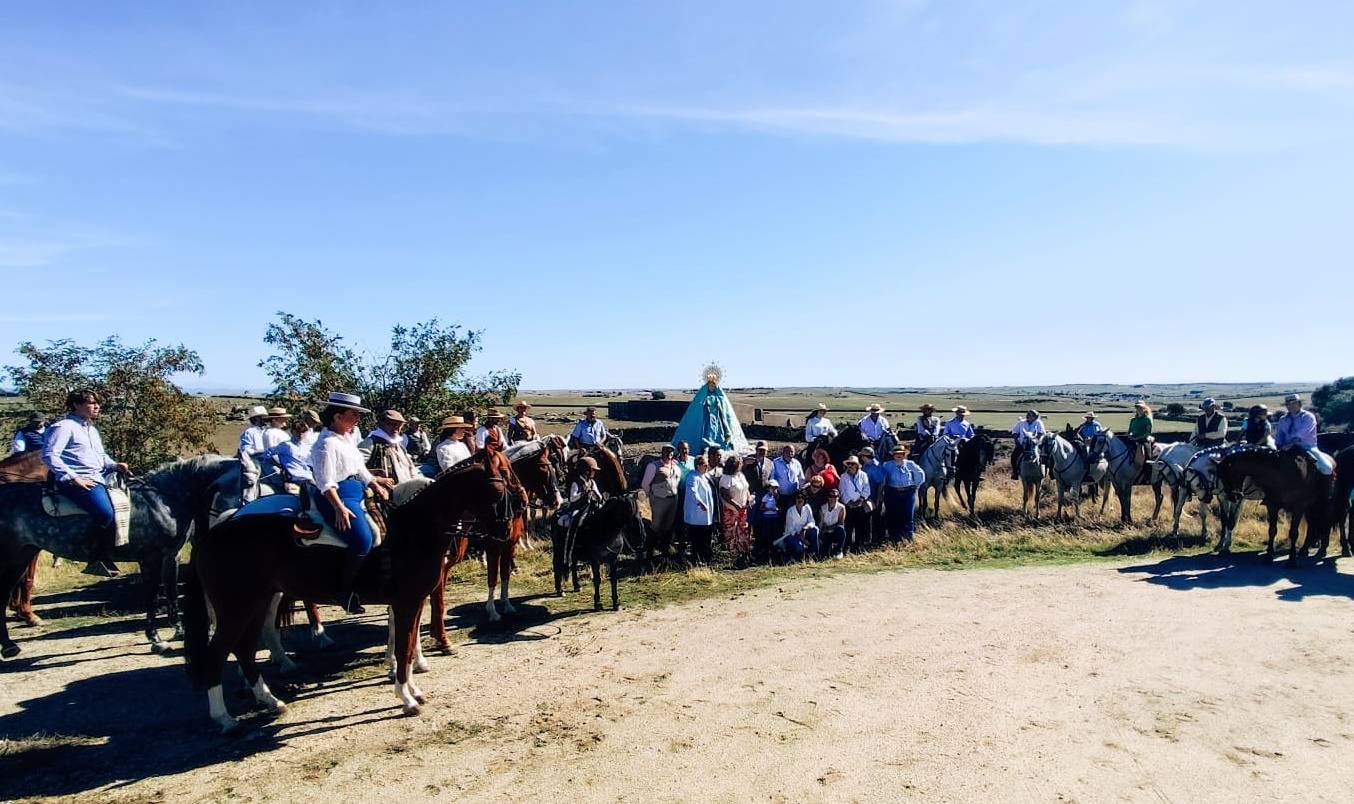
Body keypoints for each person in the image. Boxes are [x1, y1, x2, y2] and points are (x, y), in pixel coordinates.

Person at [310, 392, 391, 612]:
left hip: (357, 490)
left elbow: (359, 469)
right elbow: (325, 481)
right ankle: (342, 589)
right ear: (337, 416)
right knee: (363, 538)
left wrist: (375, 483)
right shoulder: (326, 444)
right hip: (338, 495)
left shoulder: (346, 438)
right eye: (353, 414)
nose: (357, 419)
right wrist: (339, 507)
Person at [42, 389, 130, 577]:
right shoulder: (64, 427)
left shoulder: (90, 429)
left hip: (98, 477)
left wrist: (115, 465)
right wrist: (73, 477)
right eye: (91, 403)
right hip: (75, 481)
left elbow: (100, 456)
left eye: (97, 403)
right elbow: (50, 455)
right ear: (76, 405)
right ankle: (97, 558)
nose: (97, 406)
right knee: (105, 512)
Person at [1274, 393, 1334, 475]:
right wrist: (1279, 445)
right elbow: (1279, 435)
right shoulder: (1283, 419)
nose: (1291, 406)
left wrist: (1290, 444)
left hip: (1306, 447)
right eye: (1288, 404)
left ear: (1299, 404)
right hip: (1285, 447)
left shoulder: (1308, 417)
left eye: (1294, 403)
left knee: (1327, 469)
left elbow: (1301, 434)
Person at [640, 445, 682, 556]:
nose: (669, 454)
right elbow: (645, 484)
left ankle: (665, 550)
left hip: (673, 499)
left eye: (671, 452)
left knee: (668, 525)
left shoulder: (676, 466)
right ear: (662, 452)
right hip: (659, 499)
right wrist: (652, 496)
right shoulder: (653, 466)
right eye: (667, 451)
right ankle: (650, 551)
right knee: (656, 525)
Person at [359, 410, 418, 485]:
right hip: (386, 493)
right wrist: (376, 479)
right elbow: (355, 468)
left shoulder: (399, 445)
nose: (396, 427)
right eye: (391, 424)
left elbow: (411, 467)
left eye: (399, 425)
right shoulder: (371, 443)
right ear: (382, 424)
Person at [881, 444, 925, 543]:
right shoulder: (887, 465)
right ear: (893, 455)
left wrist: (915, 486)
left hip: (908, 493)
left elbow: (921, 474)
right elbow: (882, 479)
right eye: (896, 454)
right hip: (892, 493)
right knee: (893, 515)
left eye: (901, 453)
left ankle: (908, 538)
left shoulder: (910, 464)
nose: (899, 455)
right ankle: (894, 538)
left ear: (904, 454)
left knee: (908, 515)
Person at [265, 415, 316, 486]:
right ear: (292, 431)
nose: (301, 434)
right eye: (298, 431)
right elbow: (268, 453)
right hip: (295, 478)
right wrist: (277, 465)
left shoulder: (307, 446)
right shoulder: (286, 445)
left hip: (308, 476)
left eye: (303, 431)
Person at [684, 455, 715, 564]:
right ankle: (696, 560)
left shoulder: (705, 476)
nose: (707, 467)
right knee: (697, 539)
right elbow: (693, 492)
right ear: (698, 465)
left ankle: (705, 559)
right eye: (704, 465)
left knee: (705, 539)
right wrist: (700, 502)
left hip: (706, 516)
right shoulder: (693, 477)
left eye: (707, 465)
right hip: (696, 516)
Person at [718, 455, 752, 555]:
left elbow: (746, 488)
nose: (741, 465)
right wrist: (735, 504)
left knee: (743, 529)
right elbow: (724, 494)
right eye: (740, 463)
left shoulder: (740, 475)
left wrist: (749, 498)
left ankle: (743, 552)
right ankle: (731, 554)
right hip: (730, 509)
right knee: (730, 530)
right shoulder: (726, 478)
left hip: (742, 508)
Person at [838, 454, 873, 552]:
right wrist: (849, 503)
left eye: (853, 464)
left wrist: (861, 500)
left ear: (857, 465)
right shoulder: (843, 476)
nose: (850, 466)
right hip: (849, 506)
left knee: (860, 527)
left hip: (860, 505)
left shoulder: (863, 475)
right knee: (848, 527)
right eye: (849, 464)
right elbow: (842, 491)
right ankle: (847, 547)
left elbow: (867, 489)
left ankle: (858, 547)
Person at [775, 491, 816, 562]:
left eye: (802, 498)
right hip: (791, 535)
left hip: (803, 533)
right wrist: (802, 539)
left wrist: (805, 528)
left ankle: (813, 555)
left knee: (815, 530)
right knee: (799, 548)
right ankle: (788, 556)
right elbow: (789, 529)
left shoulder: (807, 508)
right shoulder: (790, 510)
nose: (800, 499)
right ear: (795, 499)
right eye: (798, 497)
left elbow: (812, 522)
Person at [770, 445, 806, 523]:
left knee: (791, 516)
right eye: (787, 451)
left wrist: (803, 490)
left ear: (794, 453)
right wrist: (774, 489)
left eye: (791, 452)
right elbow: (772, 478)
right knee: (780, 516)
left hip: (793, 495)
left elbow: (801, 478)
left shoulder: (797, 463)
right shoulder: (775, 463)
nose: (789, 453)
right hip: (780, 495)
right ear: (783, 452)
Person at [859, 446, 887, 544]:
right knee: (867, 520)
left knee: (877, 519)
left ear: (865, 456)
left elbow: (880, 484)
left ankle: (879, 539)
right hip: (867, 497)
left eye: (862, 456)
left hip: (875, 497)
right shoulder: (866, 465)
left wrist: (878, 499)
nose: (861, 458)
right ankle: (868, 539)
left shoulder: (876, 467)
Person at [1009, 410, 1046, 479]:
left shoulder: (1038, 423)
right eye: (1028, 414)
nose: (1028, 416)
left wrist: (1036, 440)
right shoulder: (1021, 422)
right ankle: (1015, 472)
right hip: (1022, 445)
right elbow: (1014, 432)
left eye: (1030, 415)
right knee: (1014, 456)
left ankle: (1048, 472)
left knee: (1046, 455)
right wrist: (1017, 441)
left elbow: (1041, 433)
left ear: (1035, 417)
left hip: (1035, 445)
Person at [753, 479, 782, 561]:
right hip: (767, 518)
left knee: (774, 535)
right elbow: (761, 508)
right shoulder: (766, 497)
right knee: (767, 535)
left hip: (775, 517)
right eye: (772, 488)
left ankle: (774, 552)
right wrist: (771, 509)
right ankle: (765, 552)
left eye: (775, 488)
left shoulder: (776, 496)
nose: (774, 489)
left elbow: (778, 505)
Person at [817, 489, 848, 559]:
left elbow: (840, 523)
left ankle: (839, 551)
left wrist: (829, 528)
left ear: (838, 497)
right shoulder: (823, 508)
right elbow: (820, 523)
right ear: (828, 497)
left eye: (835, 496)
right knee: (824, 556)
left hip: (835, 531)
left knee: (841, 529)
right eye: (831, 496)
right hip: (826, 533)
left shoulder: (841, 508)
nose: (833, 498)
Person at [1125, 400, 1154, 468]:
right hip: (1133, 439)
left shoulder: (1147, 420)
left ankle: (1148, 467)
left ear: (1144, 408)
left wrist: (1136, 438)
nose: (1138, 409)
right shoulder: (1133, 420)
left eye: (1140, 407)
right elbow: (1129, 431)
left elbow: (1147, 433)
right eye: (1137, 407)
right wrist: (1129, 435)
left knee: (1147, 454)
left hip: (1143, 440)